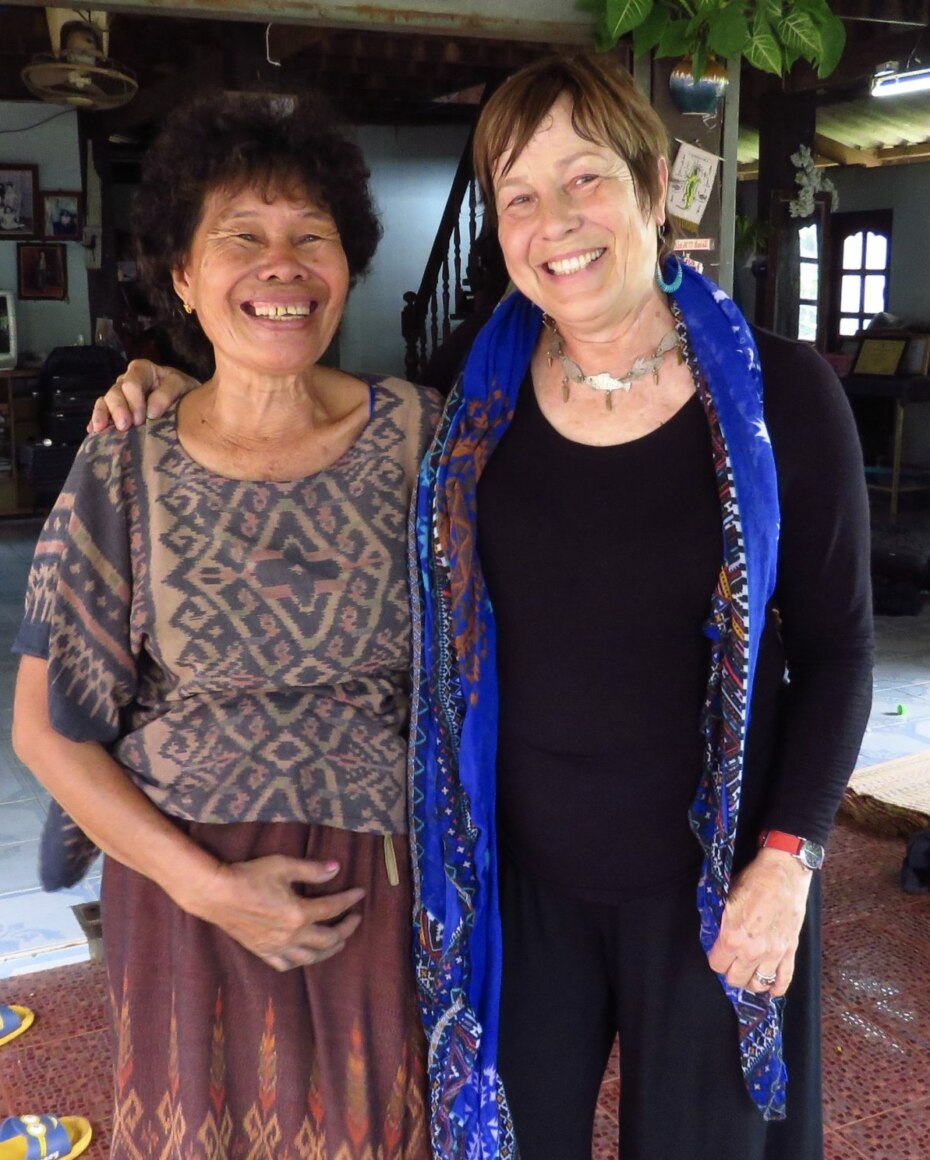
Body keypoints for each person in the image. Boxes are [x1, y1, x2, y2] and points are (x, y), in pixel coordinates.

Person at [91, 53, 873, 1160]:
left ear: (654, 189)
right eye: (518, 197)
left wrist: (788, 865)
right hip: (519, 891)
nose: (556, 220)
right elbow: (314, 411)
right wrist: (175, 382)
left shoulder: (786, 398)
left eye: (585, 180)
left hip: (718, 887)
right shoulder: (472, 395)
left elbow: (839, 653)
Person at [13, 89, 437, 1160]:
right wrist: (210, 888)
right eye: (240, 239)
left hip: (377, 892)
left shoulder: (423, 442)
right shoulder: (123, 457)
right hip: (181, 891)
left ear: (349, 267)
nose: (280, 266)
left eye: (311, 238)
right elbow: (45, 729)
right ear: (186, 280)